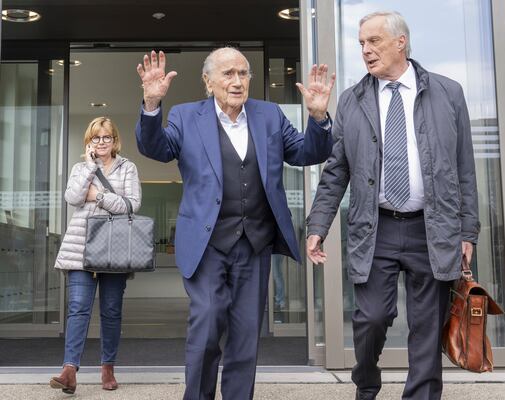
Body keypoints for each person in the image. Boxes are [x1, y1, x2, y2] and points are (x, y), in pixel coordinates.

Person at [135, 47, 335, 400]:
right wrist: (151, 106)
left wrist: (318, 119)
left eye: (243, 74)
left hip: (254, 244)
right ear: (208, 82)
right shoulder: (185, 116)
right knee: (208, 323)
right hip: (207, 243)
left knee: (245, 336)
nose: (238, 81)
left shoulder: (269, 116)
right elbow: (156, 149)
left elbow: (308, 153)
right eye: (228, 74)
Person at [306, 11, 479, 400]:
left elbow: (464, 168)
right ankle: (366, 381)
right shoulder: (352, 101)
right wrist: (318, 226)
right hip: (376, 226)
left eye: (374, 41)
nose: (366, 50)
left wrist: (468, 230)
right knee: (372, 318)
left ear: (400, 42)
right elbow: (336, 172)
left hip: (432, 226)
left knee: (427, 327)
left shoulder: (448, 93)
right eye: (362, 43)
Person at [51, 117, 142, 394]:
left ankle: (107, 368)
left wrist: (99, 196)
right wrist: (90, 168)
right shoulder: (81, 167)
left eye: (106, 138)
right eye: (95, 138)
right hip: (81, 250)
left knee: (111, 311)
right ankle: (69, 370)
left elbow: (132, 205)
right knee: (78, 308)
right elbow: (73, 197)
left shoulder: (127, 167)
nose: (101, 143)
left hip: (114, 250)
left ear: (115, 141)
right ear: (88, 142)